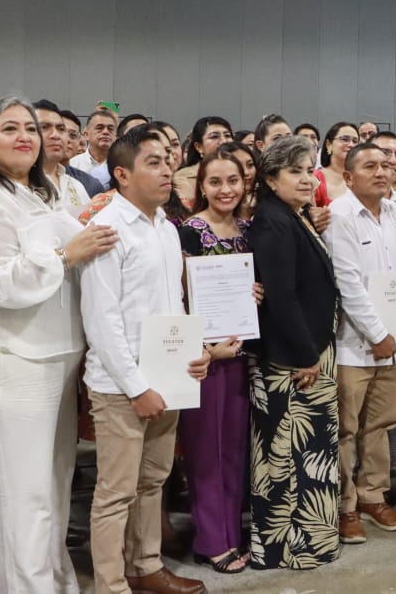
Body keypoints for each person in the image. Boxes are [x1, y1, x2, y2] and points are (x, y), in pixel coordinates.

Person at [0, 95, 117, 594]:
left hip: (61, 354)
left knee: (56, 486)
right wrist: (65, 253)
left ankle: (55, 581)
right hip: (15, 360)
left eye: (31, 129)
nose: (25, 136)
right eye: (9, 128)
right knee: (21, 493)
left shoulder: (49, 193)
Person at [80, 125, 210, 594]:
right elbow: (101, 320)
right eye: (152, 162)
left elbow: (172, 305)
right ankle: (111, 584)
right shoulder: (108, 229)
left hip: (166, 377)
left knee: (152, 481)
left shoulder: (167, 229)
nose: (166, 169)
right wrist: (136, 387)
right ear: (121, 173)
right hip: (121, 386)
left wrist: (191, 353)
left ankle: (146, 566)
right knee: (115, 492)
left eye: (167, 159)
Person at [247, 136, 341, 569]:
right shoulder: (272, 221)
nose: (306, 179)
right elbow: (281, 297)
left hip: (310, 352)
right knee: (287, 459)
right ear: (270, 178)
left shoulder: (294, 214)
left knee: (311, 456)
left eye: (310, 170)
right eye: (294, 172)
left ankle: (314, 542)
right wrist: (306, 355)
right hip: (293, 361)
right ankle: (288, 550)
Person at [326, 144, 396, 543]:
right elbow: (348, 285)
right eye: (369, 166)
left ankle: (372, 495)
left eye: (386, 165)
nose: (381, 172)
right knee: (345, 429)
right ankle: (344, 506)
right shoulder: (339, 218)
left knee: (380, 425)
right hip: (352, 346)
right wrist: (379, 335)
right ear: (348, 176)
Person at [178, 149, 254, 574]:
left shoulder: (248, 229)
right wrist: (206, 347)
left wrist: (255, 293)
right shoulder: (189, 231)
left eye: (233, 181)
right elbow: (180, 295)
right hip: (205, 359)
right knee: (205, 452)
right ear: (201, 187)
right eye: (215, 182)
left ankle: (231, 531)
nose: (225, 189)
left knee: (233, 451)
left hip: (243, 355)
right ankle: (211, 539)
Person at [34, 99, 90, 218]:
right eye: (44, 127)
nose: (55, 135)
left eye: (60, 129)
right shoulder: (17, 185)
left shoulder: (76, 186)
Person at [174, 116, 233, 206]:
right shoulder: (183, 178)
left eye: (227, 135)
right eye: (214, 136)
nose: (223, 141)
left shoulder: (243, 172)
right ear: (199, 147)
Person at [69, 108, 117, 189]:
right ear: (86, 134)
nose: (106, 132)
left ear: (116, 136)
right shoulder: (73, 164)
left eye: (110, 129)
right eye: (99, 128)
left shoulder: (121, 165)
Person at [314, 121, 359, 206]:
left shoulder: (363, 178)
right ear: (329, 144)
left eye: (355, 141)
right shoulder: (315, 179)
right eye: (345, 139)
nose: (351, 144)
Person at [62, 109, 105, 197]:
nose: (67, 139)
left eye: (73, 135)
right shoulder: (27, 178)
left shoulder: (91, 185)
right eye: (61, 131)